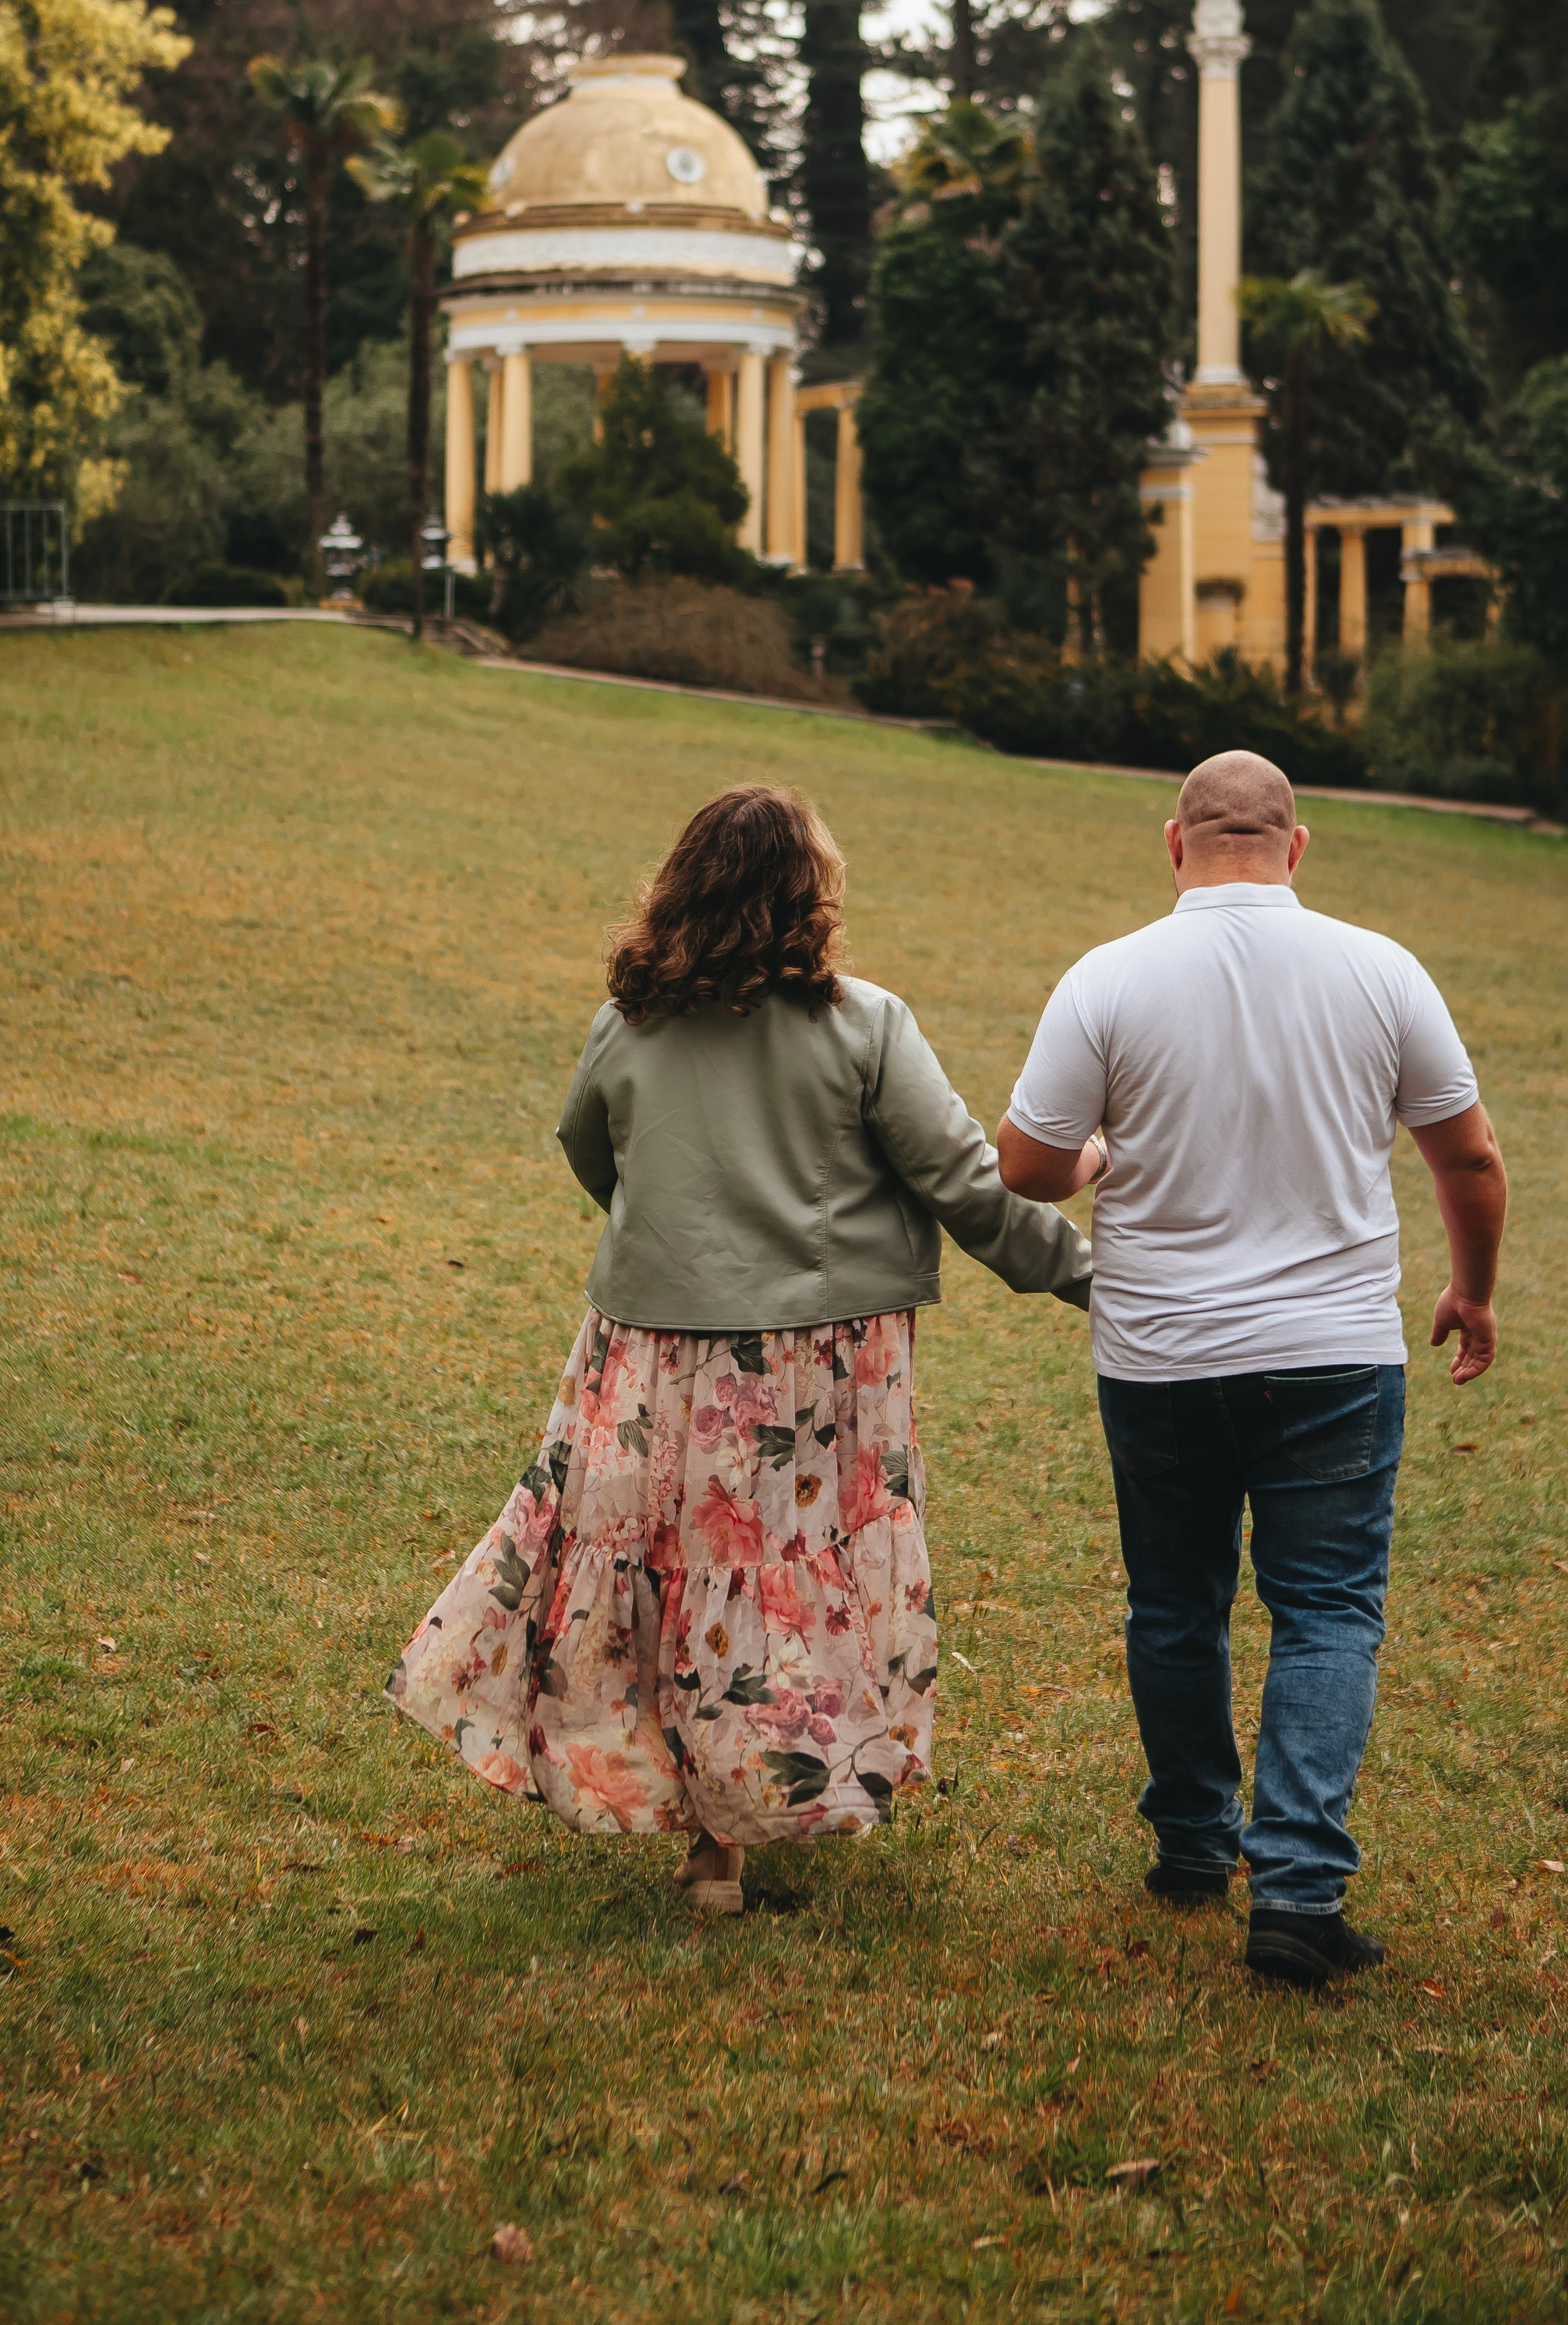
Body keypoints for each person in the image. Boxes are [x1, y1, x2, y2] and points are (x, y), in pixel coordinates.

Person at [388, 782, 1095, 1913]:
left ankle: (713, 1840)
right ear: (806, 898)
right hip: (817, 1363)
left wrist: (667, 1229)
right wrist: (1090, 1276)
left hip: (651, 1343)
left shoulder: (628, 1023)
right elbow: (964, 1186)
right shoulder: (867, 1024)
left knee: (672, 1569)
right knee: (776, 1580)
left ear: (684, 884)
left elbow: (589, 1150)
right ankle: (743, 1811)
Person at [998, 749, 1506, 1988]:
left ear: (1175, 843)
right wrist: (1471, 1288)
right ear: (1298, 844)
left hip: (1159, 1354)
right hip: (1333, 1354)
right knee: (1326, 1609)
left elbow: (1024, 1166)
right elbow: (1469, 1157)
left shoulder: (1107, 978)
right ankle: (1296, 1890)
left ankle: (1188, 1845)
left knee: (1175, 1603)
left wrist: (1101, 1163)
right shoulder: (1382, 970)